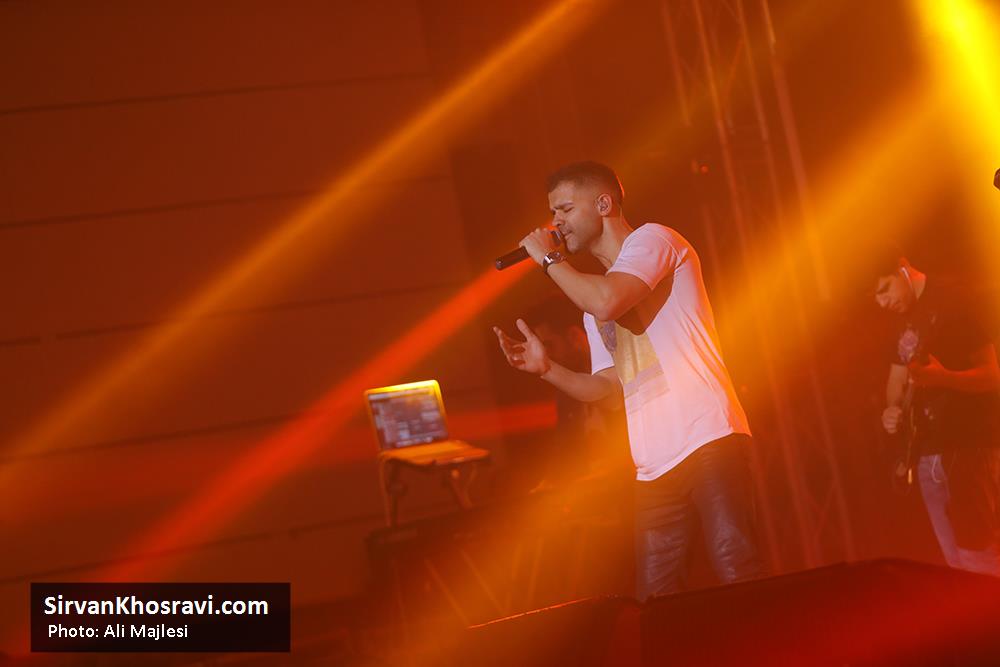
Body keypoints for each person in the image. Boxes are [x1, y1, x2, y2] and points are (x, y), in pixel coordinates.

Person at [493, 161, 763, 598]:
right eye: (553, 213)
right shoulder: (593, 300)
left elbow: (609, 301)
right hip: (653, 469)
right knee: (656, 604)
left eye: (565, 209)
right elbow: (607, 390)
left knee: (738, 573)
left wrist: (548, 259)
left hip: (710, 439)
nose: (556, 223)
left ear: (604, 204)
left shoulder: (654, 240)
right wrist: (548, 369)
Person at [873, 246, 1000, 575]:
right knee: (956, 568)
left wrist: (945, 378)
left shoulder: (952, 301)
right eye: (876, 299)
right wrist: (891, 411)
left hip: (968, 448)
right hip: (927, 456)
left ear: (903, 267)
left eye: (884, 290)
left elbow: (992, 375)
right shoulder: (899, 320)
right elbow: (896, 379)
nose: (883, 303)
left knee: (981, 557)